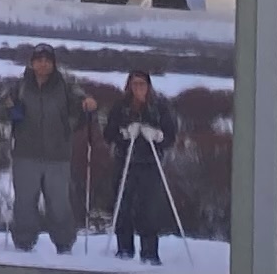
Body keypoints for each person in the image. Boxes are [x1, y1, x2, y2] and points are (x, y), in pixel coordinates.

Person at [11, 46, 89, 257]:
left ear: (53, 63)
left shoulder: (66, 85)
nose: (43, 63)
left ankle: (64, 245)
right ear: (32, 62)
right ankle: (23, 244)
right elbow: (1, 106)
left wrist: (76, 117)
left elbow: (82, 103)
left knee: (59, 204)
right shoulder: (20, 84)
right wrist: (9, 109)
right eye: (38, 59)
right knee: (25, 203)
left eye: (47, 60)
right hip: (25, 153)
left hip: (58, 155)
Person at [105, 70, 183, 264]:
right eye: (134, 84)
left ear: (149, 86)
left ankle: (149, 253)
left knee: (149, 209)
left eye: (142, 84)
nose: (138, 88)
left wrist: (158, 136)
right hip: (125, 162)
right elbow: (108, 133)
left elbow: (171, 134)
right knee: (123, 207)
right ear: (129, 86)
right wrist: (122, 134)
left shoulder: (159, 107)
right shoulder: (121, 106)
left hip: (150, 163)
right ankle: (124, 250)